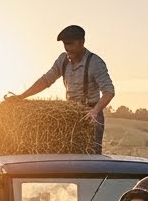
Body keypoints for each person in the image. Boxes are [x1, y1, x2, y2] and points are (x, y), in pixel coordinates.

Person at [10, 24, 116, 153]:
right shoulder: (63, 60)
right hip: (70, 114)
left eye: (71, 44)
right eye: (65, 44)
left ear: (82, 42)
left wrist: (95, 110)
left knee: (91, 155)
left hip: (91, 114)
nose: (67, 48)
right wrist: (22, 96)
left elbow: (109, 91)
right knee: (68, 154)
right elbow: (46, 80)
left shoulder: (95, 63)